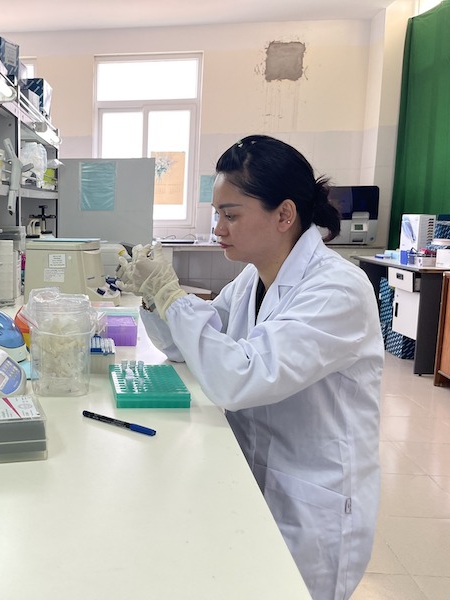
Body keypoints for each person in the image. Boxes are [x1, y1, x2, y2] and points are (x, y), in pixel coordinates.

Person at [118, 135, 383, 600]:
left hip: (309, 500)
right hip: (252, 478)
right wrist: (155, 297)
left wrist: (172, 297)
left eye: (231, 214)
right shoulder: (253, 276)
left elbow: (238, 378)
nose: (218, 227)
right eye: (216, 213)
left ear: (284, 215)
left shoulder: (339, 289)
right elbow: (194, 345)